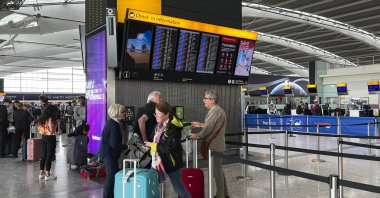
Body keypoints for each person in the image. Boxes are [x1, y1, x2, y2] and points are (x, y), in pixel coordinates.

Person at [144, 102, 191, 198]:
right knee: (152, 187)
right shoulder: (159, 125)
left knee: (179, 189)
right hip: (157, 161)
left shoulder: (174, 128)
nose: (155, 116)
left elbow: (168, 147)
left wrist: (153, 146)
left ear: (167, 114)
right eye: (155, 113)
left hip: (171, 162)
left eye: (158, 113)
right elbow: (154, 139)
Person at [191, 90, 230, 198]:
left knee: (216, 172)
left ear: (212, 100)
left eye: (206, 98)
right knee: (219, 171)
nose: (204, 100)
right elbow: (212, 125)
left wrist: (197, 136)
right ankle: (225, 194)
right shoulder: (217, 110)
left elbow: (208, 128)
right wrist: (200, 124)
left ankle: (220, 195)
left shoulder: (215, 111)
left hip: (214, 146)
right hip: (216, 145)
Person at [99, 104, 136, 198]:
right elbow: (114, 144)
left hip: (109, 154)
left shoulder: (112, 123)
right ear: (116, 113)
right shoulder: (113, 125)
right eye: (122, 112)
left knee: (113, 176)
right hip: (109, 155)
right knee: (111, 177)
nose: (125, 114)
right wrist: (127, 146)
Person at [37, 105, 61, 181]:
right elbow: (52, 129)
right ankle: (48, 174)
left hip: (44, 137)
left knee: (44, 155)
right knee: (49, 156)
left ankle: (41, 173)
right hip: (50, 137)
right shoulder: (52, 119)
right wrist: (57, 123)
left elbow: (40, 128)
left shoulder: (42, 118)